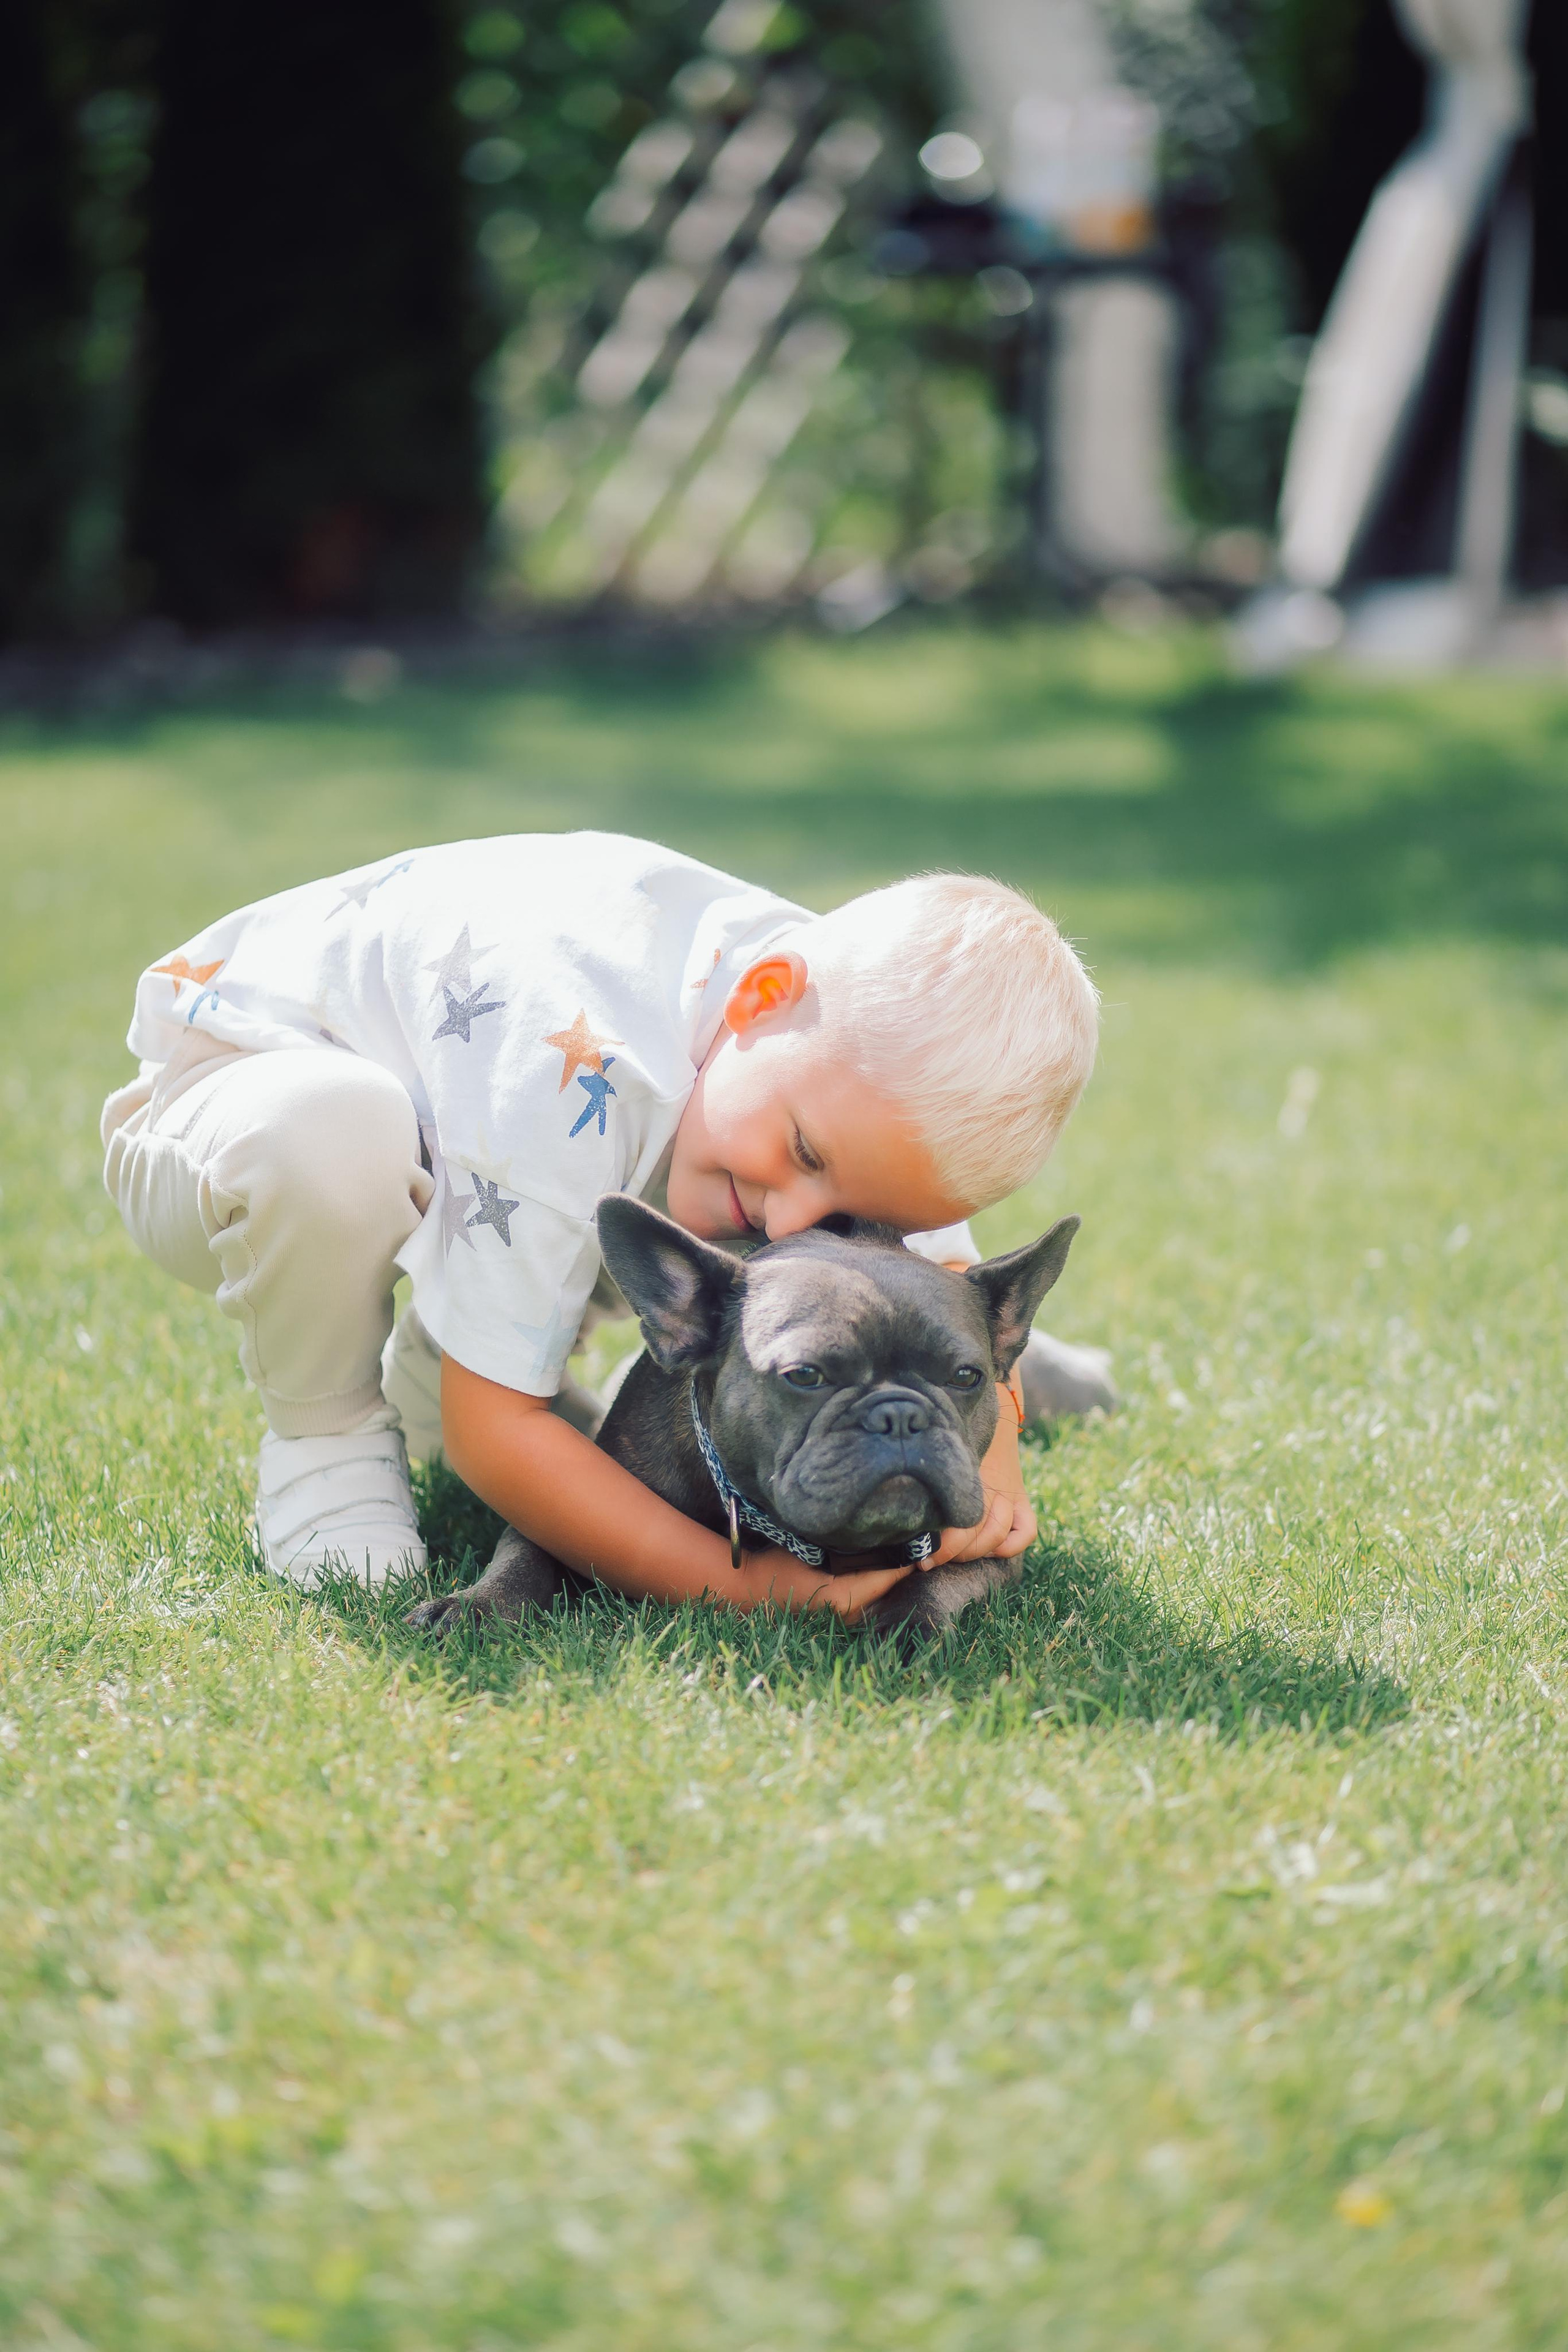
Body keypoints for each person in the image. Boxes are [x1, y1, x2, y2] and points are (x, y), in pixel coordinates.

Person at [101, 832, 1104, 1624]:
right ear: (762, 1000)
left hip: (480, 1147)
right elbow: (497, 1441)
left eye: (851, 1215)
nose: (793, 1224)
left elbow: (939, 1274)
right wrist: (733, 1584)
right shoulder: (573, 1075)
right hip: (224, 1107)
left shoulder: (851, 1040)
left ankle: (450, 1345)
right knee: (330, 1137)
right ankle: (324, 1438)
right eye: (803, 1155)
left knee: (741, 1204)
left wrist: (990, 1438)